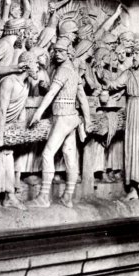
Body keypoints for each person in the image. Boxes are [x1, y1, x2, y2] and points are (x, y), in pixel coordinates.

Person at [28, 36, 92, 208]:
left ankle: (43, 197)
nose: (57, 54)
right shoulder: (74, 71)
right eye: (56, 50)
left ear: (69, 52)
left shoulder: (63, 70)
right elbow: (82, 100)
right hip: (72, 118)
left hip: (63, 118)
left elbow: (52, 94)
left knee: (48, 153)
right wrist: (87, 120)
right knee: (70, 155)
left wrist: (38, 113)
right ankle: (68, 197)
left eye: (61, 51)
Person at [105, 43, 139, 202]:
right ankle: (133, 190)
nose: (132, 57)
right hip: (132, 108)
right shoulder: (128, 74)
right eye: (132, 54)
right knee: (132, 148)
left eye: (135, 54)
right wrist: (101, 75)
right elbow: (113, 84)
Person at [0, 51, 39, 210]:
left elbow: (20, 109)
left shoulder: (26, 83)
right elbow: (2, 111)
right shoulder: (8, 82)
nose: (38, 67)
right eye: (36, 64)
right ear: (27, 65)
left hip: (9, 127)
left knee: (8, 158)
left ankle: (9, 196)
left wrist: (20, 128)